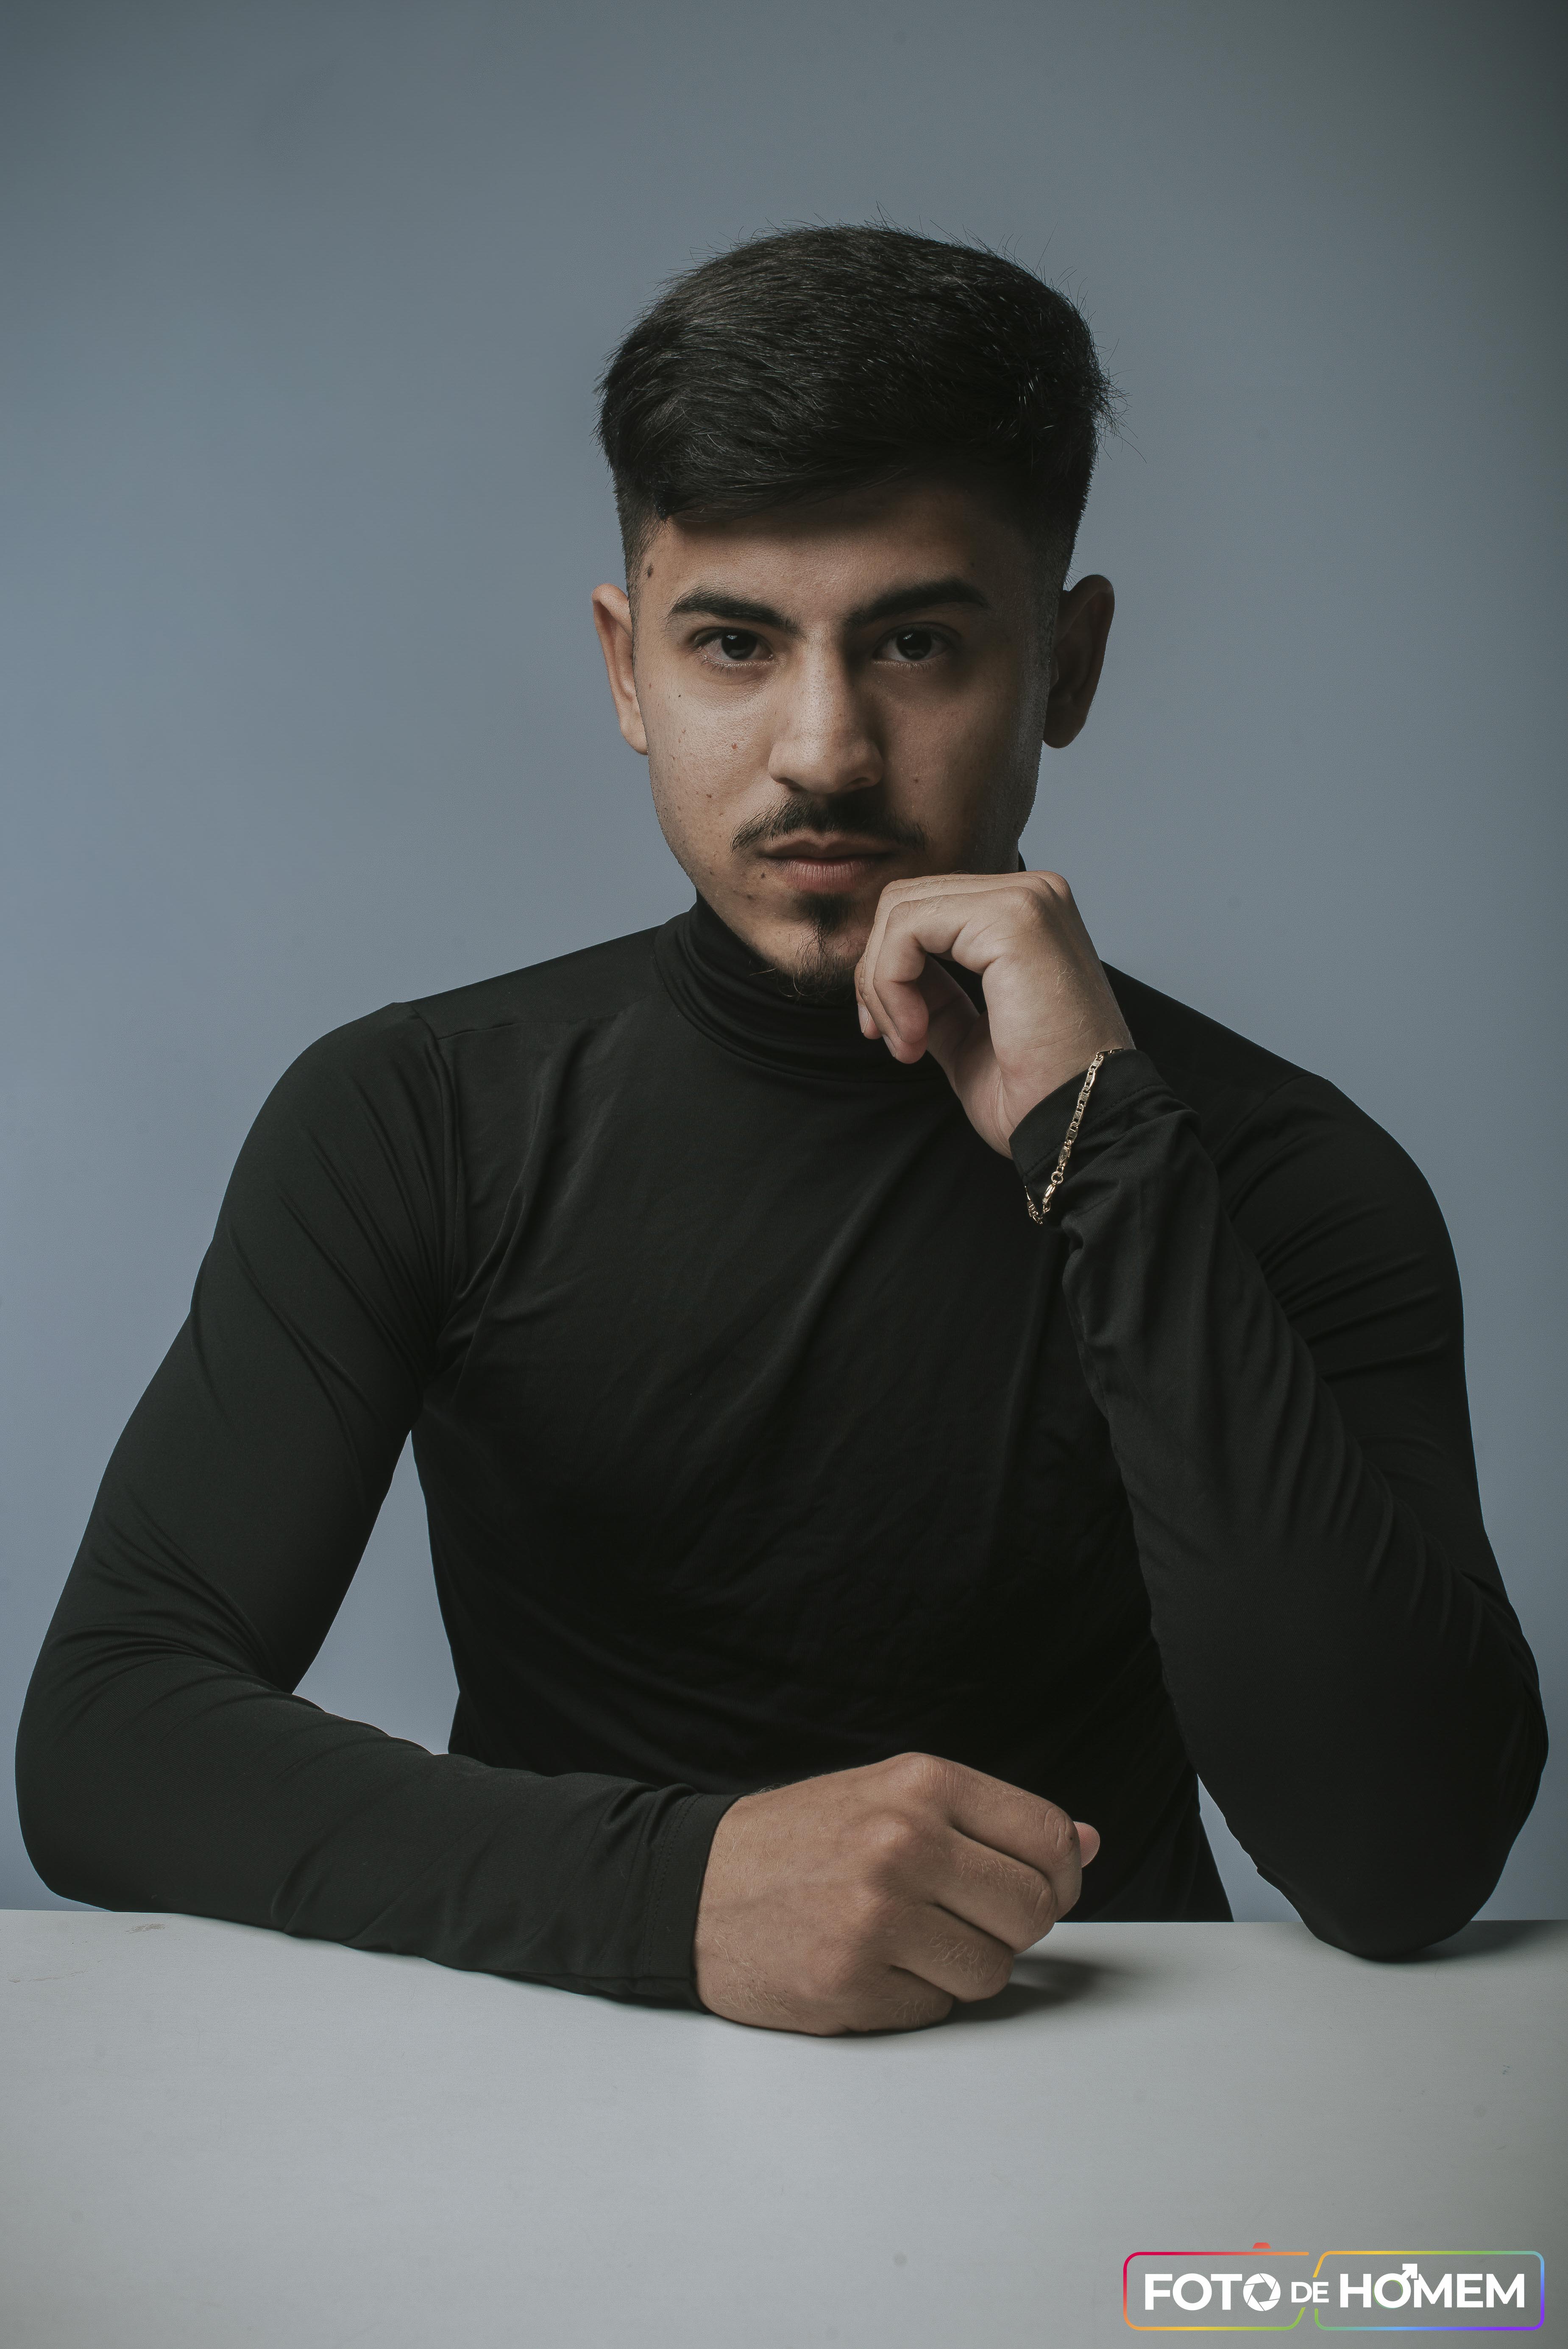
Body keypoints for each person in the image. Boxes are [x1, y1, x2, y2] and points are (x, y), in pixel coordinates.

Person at [16, 226, 1545, 2037]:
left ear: (1066, 664)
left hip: (1119, 2101)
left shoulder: (1280, 1173)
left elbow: (1400, 1856)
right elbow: (109, 1734)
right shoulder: (412, 1117)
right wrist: (679, 1891)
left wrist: (1106, 1148)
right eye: (735, 643)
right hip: (543, 2092)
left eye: (915, 642)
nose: (823, 748)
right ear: (628, 668)